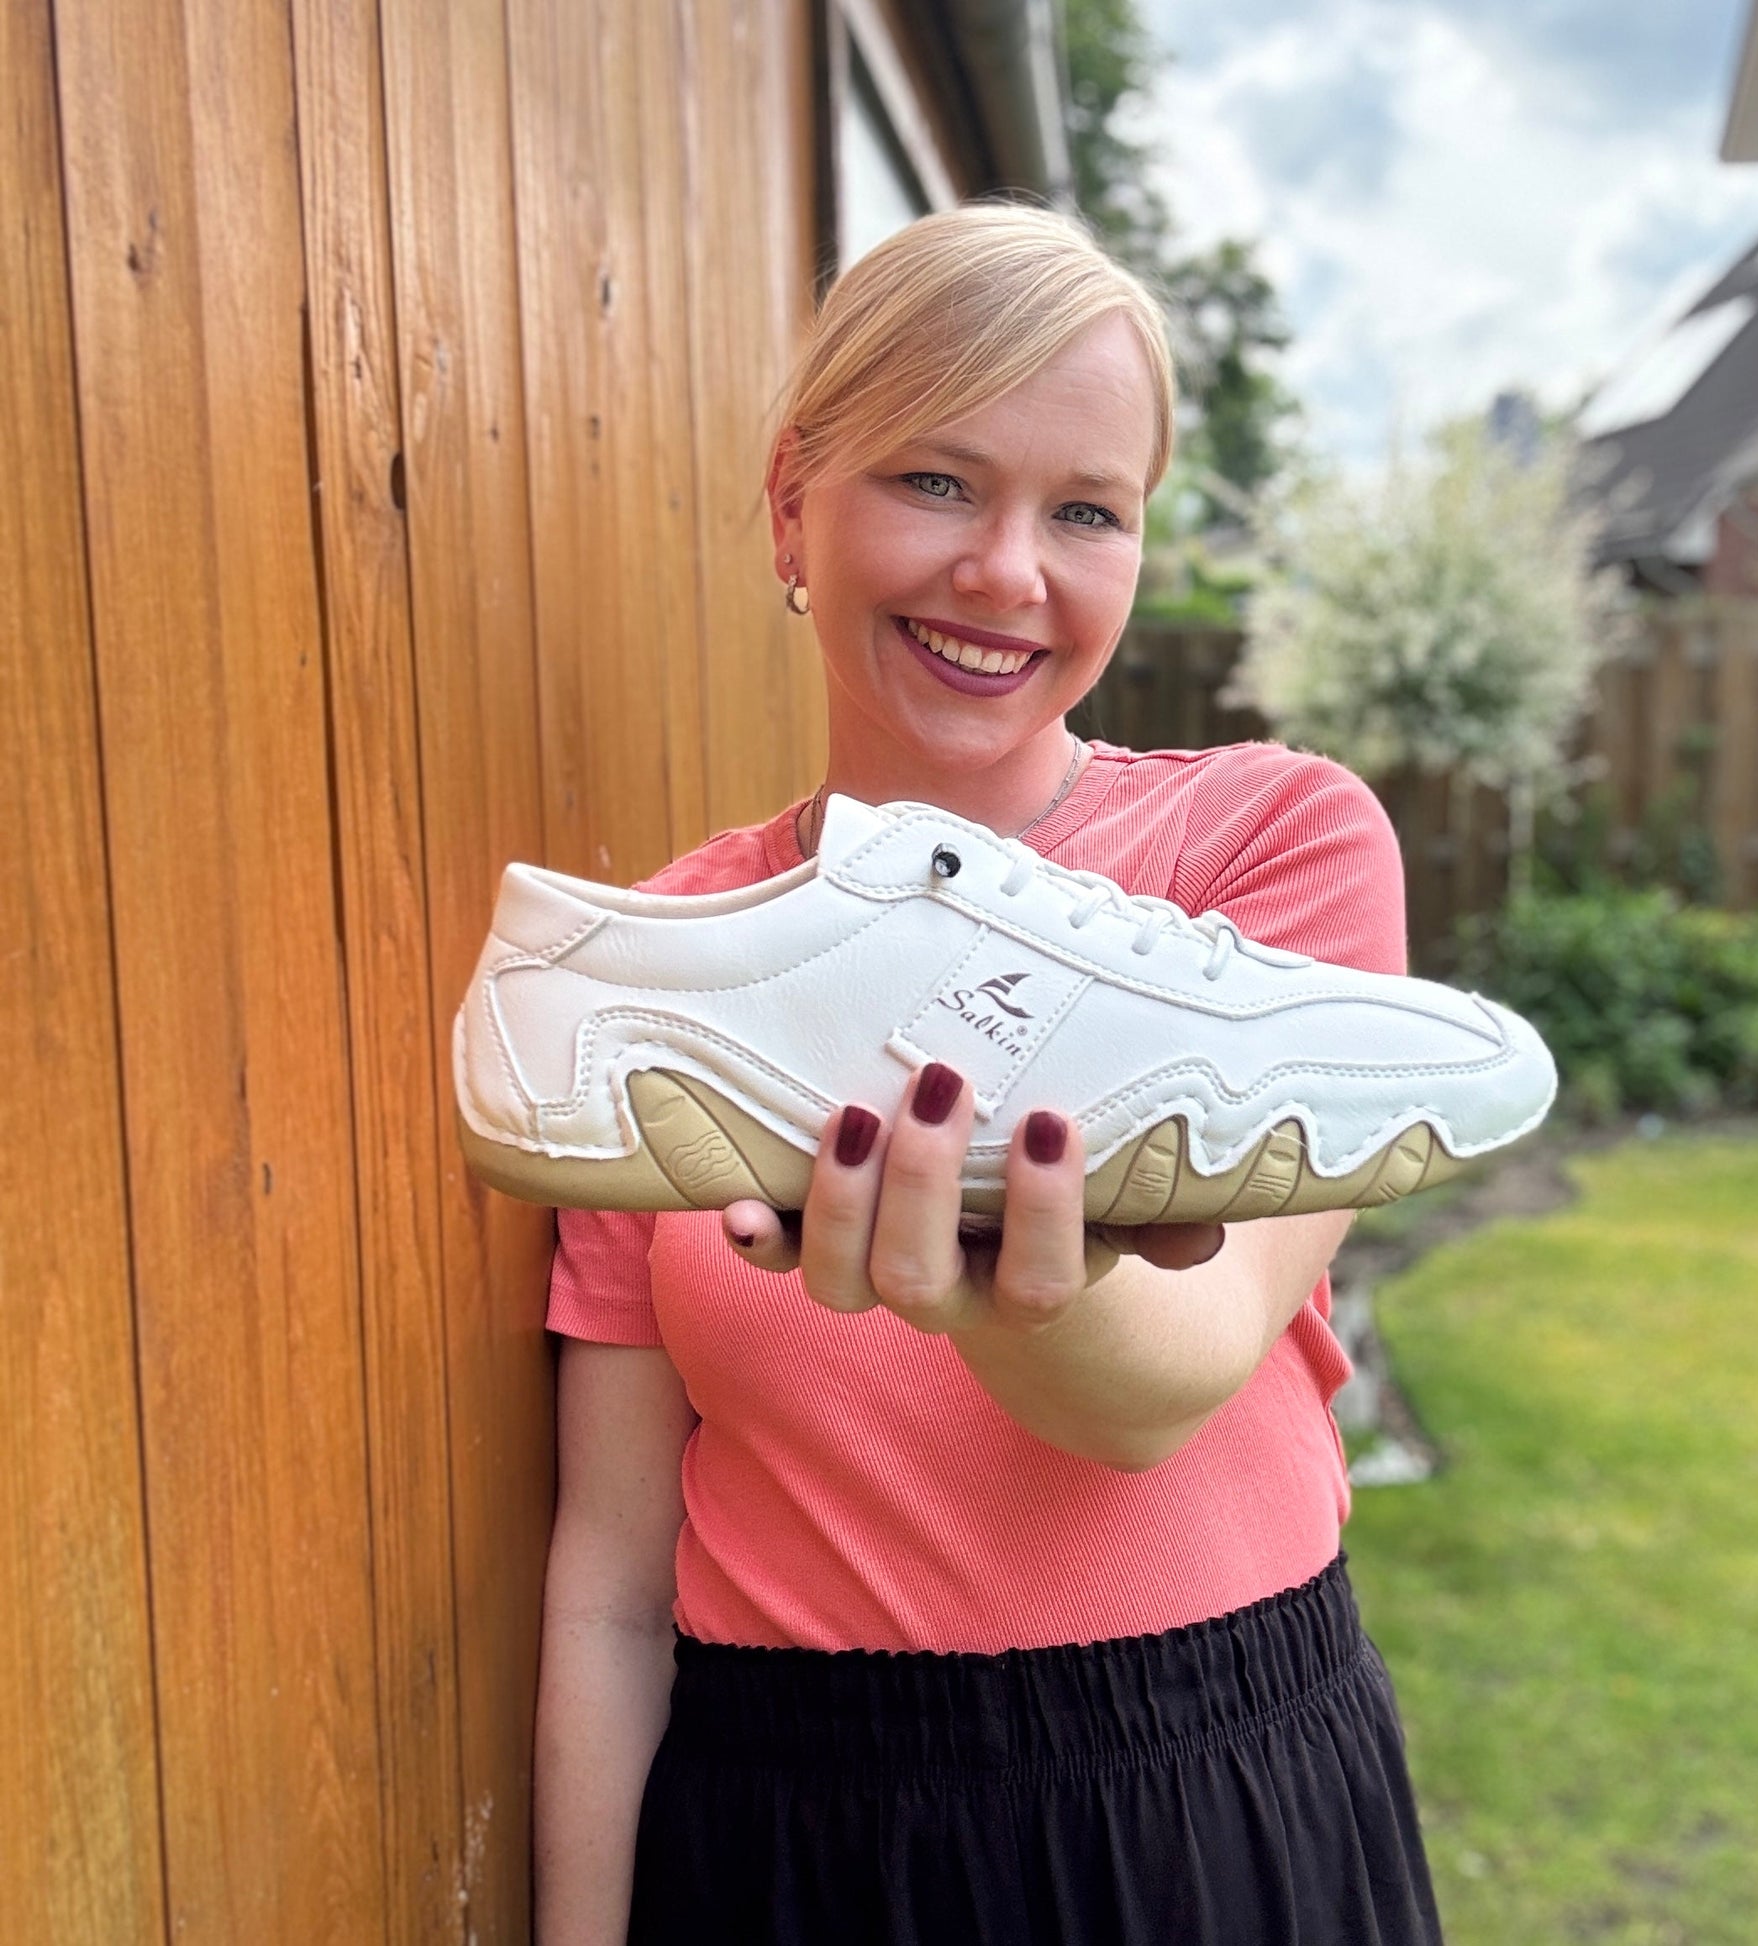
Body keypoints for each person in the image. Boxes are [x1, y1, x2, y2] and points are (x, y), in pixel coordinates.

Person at [532, 201, 1443, 1945]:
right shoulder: (662, 969)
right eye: (936, 481)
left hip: (1202, 1813)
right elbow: (611, 1594)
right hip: (786, 1844)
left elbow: (1159, 1386)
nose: (1007, 572)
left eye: (1085, 511)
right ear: (793, 506)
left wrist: (977, 1265)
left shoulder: (1267, 855)